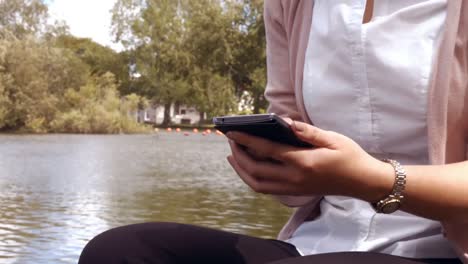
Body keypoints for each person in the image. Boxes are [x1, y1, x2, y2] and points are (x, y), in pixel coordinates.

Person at [78, 0, 468, 263]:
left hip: (441, 248)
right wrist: (277, 166)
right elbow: (291, 137)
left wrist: (373, 180)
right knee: (118, 251)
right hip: (319, 241)